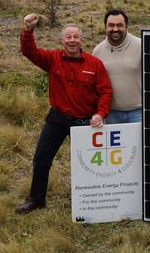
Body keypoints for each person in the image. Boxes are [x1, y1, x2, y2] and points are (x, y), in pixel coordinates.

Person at [15, 13, 112, 214]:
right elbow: (29, 52)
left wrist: (101, 114)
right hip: (58, 119)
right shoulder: (52, 59)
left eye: (76, 37)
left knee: (90, 165)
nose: (72, 41)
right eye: (68, 37)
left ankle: (94, 202)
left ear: (81, 40)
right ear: (62, 40)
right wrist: (27, 30)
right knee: (41, 159)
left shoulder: (94, 64)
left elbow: (105, 91)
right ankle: (36, 200)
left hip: (86, 121)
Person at [93, 9, 142, 124]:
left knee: (138, 143)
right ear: (105, 27)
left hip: (138, 113)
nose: (115, 29)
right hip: (111, 114)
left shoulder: (141, 45)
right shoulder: (97, 51)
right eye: (111, 25)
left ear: (126, 27)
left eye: (119, 25)